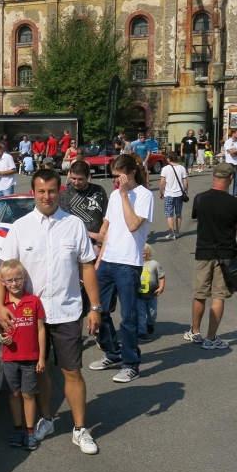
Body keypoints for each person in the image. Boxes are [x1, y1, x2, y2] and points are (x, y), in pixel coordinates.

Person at [0, 168, 101, 454]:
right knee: (39, 370)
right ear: (33, 193)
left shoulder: (74, 225)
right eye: (41, 191)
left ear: (60, 191)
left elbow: (87, 266)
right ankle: (46, 419)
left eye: (52, 191)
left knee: (72, 371)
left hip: (67, 311)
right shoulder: (20, 227)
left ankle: (80, 430)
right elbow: (3, 269)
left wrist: (95, 307)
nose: (46, 196)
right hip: (31, 317)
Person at [90, 154, 154, 384]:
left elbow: (133, 224)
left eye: (120, 177)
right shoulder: (115, 195)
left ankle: (131, 364)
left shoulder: (144, 195)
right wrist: (99, 257)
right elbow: (108, 227)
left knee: (128, 316)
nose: (117, 182)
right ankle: (112, 352)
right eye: (115, 177)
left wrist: (126, 195)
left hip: (129, 263)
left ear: (131, 173)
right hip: (107, 260)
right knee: (100, 310)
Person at [186, 163, 237, 350]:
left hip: (203, 252)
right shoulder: (234, 203)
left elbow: (197, 216)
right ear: (230, 179)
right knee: (218, 296)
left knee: (200, 295)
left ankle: (195, 332)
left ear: (213, 176)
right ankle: (211, 338)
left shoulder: (200, 198)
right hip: (225, 254)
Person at [0, 259, 47, 451]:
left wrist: (42, 357)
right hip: (10, 358)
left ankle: (29, 431)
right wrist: (2, 338)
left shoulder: (34, 301)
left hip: (30, 357)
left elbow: (41, 330)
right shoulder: (3, 306)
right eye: (9, 280)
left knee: (28, 394)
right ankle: (17, 429)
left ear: (24, 278)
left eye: (17, 279)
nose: (14, 283)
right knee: (14, 393)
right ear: (2, 282)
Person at [59, 161, 108, 249]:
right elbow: (66, 225)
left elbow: (106, 218)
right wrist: (94, 236)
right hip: (75, 245)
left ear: (88, 176)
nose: (76, 182)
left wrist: (99, 244)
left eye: (80, 179)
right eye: (73, 178)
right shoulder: (65, 195)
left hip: (98, 246)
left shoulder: (99, 190)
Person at [136, 244, 165, 341]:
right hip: (139, 295)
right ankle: (141, 332)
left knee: (153, 313)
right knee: (140, 315)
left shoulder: (154, 264)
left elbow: (161, 276)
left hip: (152, 295)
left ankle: (150, 324)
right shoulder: (135, 264)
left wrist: (161, 287)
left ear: (145, 253)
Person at [159, 152, 188, 240]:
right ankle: (177, 231)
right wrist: (185, 191)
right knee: (178, 213)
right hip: (179, 194)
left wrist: (161, 192)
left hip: (169, 194)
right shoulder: (182, 168)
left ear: (169, 159)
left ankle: (172, 233)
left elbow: (162, 182)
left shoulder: (165, 169)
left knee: (169, 214)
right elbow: (185, 182)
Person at [222, 130, 237, 197]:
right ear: (233, 134)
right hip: (230, 164)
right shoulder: (228, 142)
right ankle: (226, 196)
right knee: (228, 181)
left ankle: (235, 196)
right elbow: (232, 153)